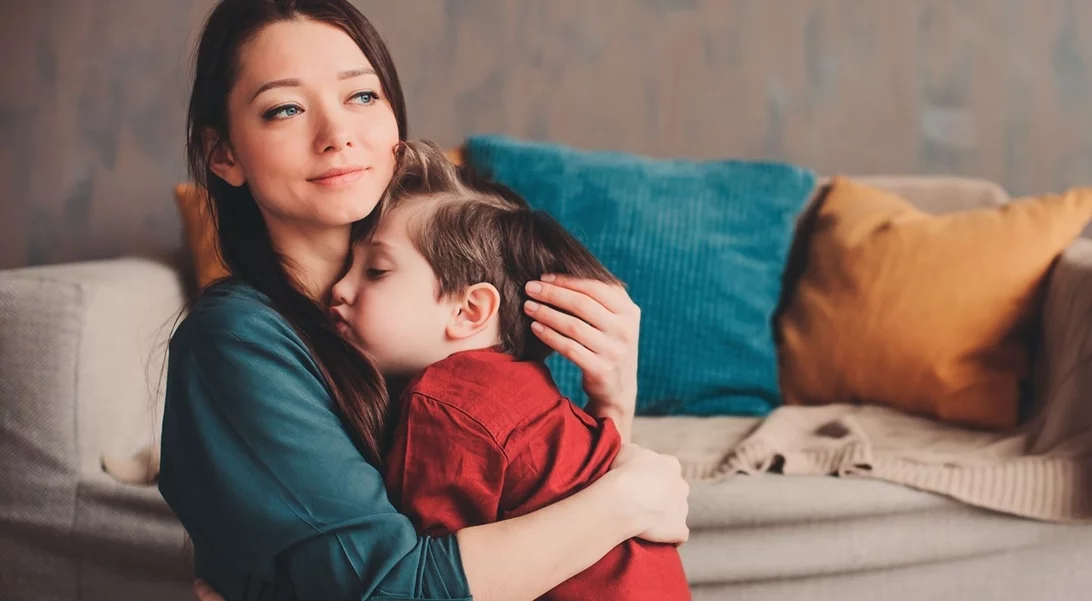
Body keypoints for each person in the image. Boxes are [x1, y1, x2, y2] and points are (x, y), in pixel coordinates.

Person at [160, 2, 690, 601]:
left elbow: (528, 509)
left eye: (361, 97)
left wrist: (614, 405)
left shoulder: (423, 311)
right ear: (223, 154)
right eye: (285, 109)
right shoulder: (237, 340)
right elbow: (395, 588)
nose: (338, 136)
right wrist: (625, 499)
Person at [327, 139, 692, 600]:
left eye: (376, 271)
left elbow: (416, 583)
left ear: (469, 310)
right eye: (348, 267)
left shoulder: (445, 403)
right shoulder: (530, 394)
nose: (338, 288)